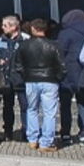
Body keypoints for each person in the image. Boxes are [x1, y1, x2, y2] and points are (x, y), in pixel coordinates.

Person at [15, 19, 67, 152]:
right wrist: (58, 77)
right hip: (50, 80)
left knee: (32, 109)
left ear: (33, 28)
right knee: (49, 113)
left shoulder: (24, 45)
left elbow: (18, 65)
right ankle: (46, 142)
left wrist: (26, 75)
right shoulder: (54, 45)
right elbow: (62, 66)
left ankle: (32, 139)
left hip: (31, 80)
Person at [56, 9, 84, 146]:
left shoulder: (65, 33)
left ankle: (65, 133)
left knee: (65, 104)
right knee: (83, 103)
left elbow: (59, 52)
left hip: (68, 73)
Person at [0, 14, 29, 141]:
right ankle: (8, 131)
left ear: (14, 27)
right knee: (7, 107)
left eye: (5, 25)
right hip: (7, 79)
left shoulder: (25, 39)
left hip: (21, 78)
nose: (2, 28)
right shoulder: (1, 40)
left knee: (25, 106)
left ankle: (26, 131)